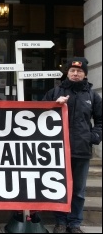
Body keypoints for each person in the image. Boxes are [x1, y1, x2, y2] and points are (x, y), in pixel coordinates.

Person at [42, 57, 102, 234]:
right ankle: (60, 222)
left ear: (85, 74)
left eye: (79, 71)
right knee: (59, 187)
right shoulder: (55, 92)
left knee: (78, 190)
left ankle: (74, 223)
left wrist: (94, 136)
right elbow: (38, 113)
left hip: (82, 150)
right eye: (72, 71)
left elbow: (100, 120)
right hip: (58, 150)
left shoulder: (92, 95)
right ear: (67, 72)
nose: (75, 74)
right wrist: (54, 105)